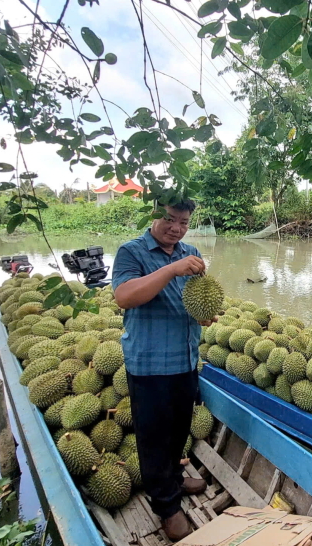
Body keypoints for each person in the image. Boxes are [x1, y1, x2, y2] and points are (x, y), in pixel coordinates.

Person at [112, 199, 210, 541]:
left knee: (178, 431)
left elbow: (199, 299)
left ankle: (175, 480)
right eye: (169, 219)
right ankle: (167, 507)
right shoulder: (131, 252)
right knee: (153, 439)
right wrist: (171, 269)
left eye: (183, 222)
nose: (176, 228)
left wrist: (206, 313)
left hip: (184, 359)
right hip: (149, 363)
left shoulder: (191, 252)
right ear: (154, 215)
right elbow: (124, 296)